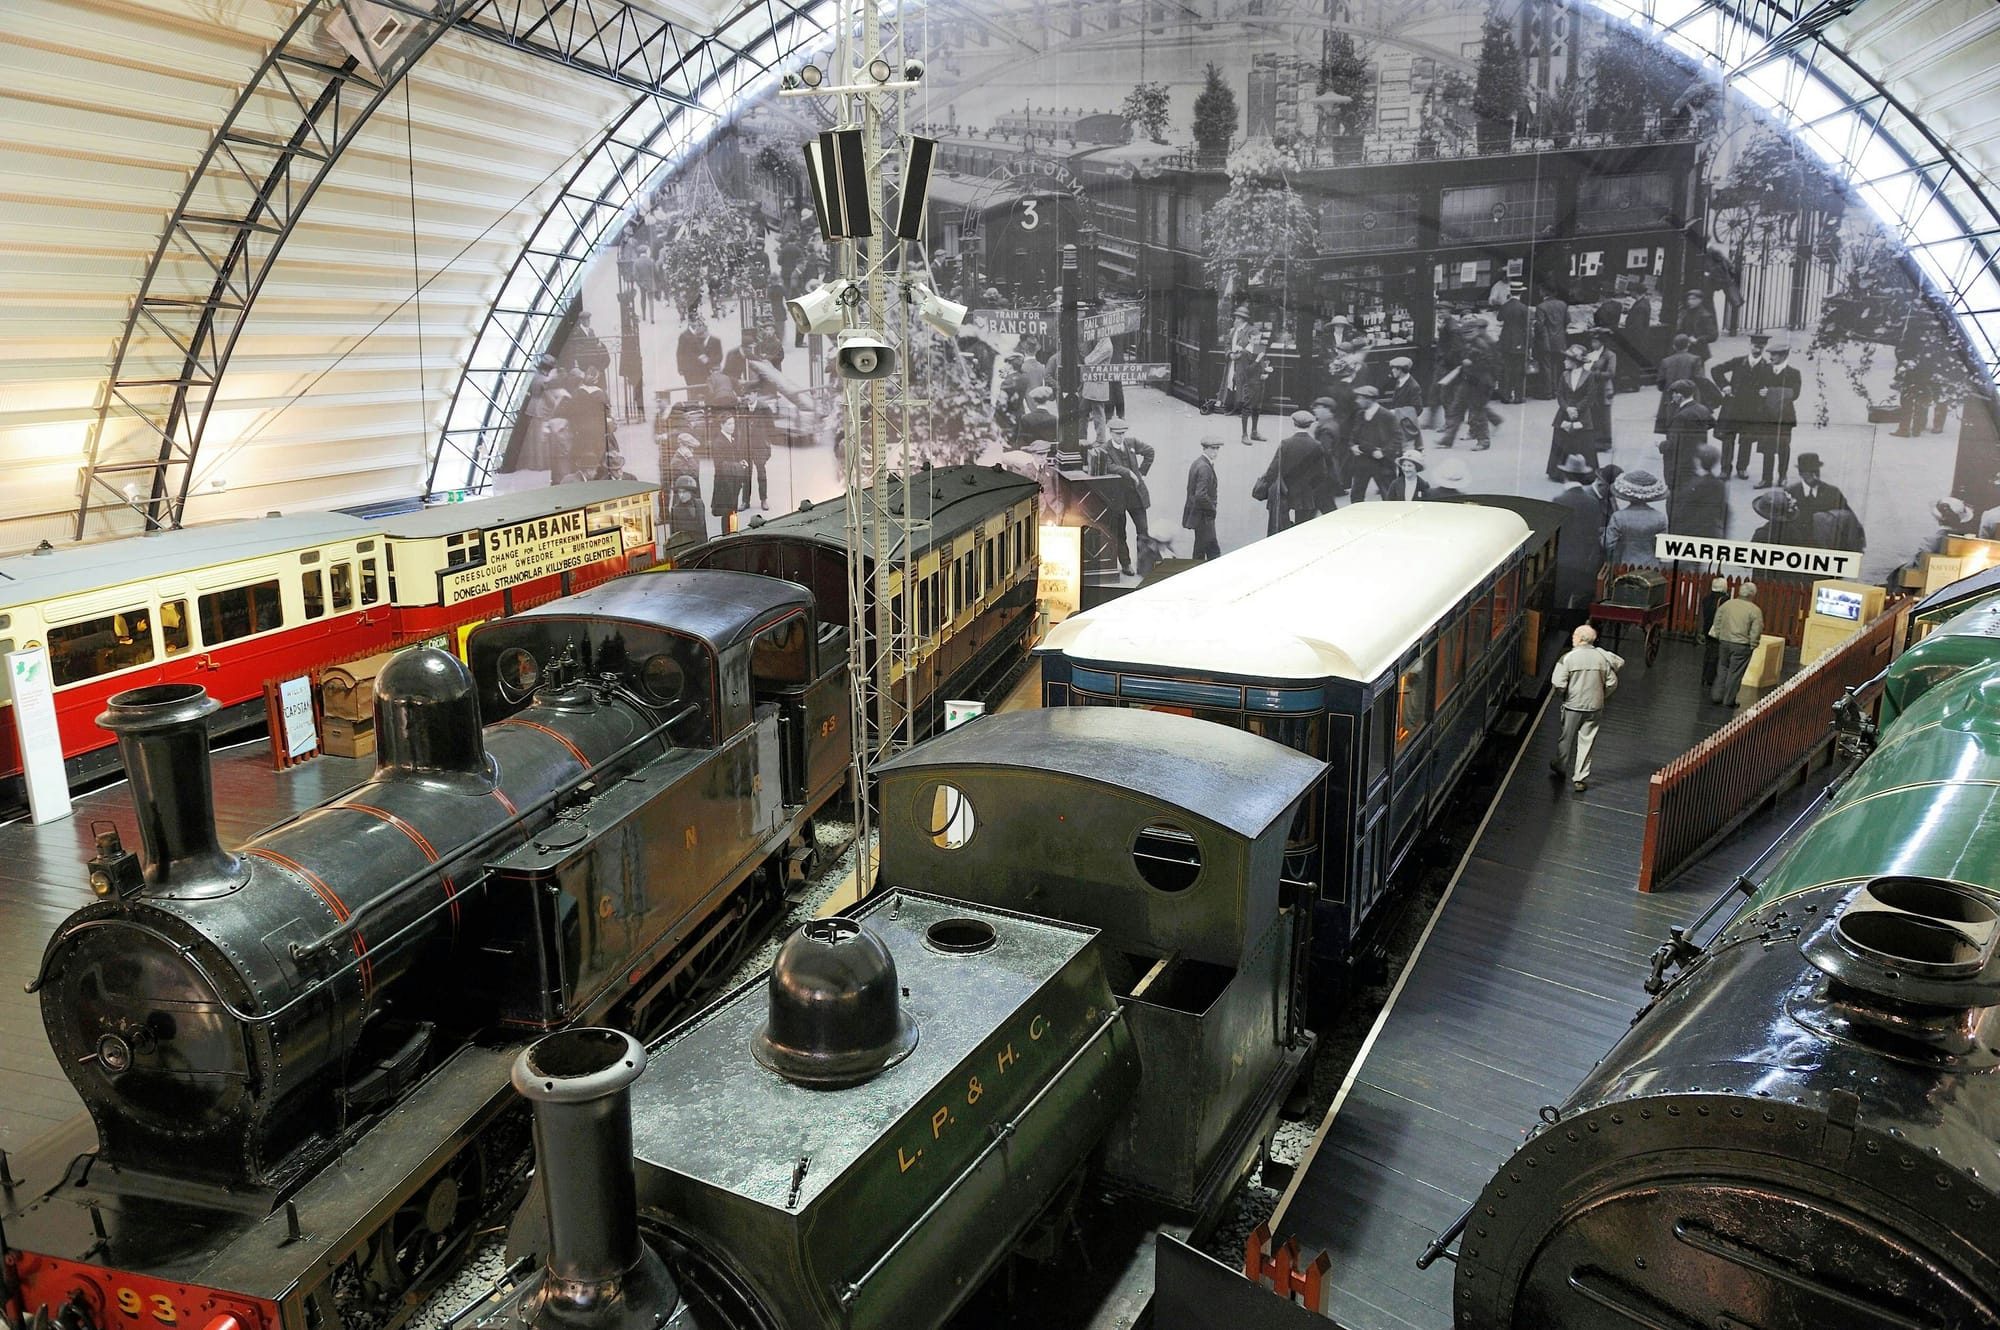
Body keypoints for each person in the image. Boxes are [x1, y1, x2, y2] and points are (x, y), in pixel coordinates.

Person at [1550, 623, 1624, 792]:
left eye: (1575, 635)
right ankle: (1580, 779)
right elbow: (1612, 683)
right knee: (1587, 741)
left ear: (1580, 639)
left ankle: (1560, 765)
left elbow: (1558, 683)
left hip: (1573, 706)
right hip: (1594, 708)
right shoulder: (1601, 658)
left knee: (1566, 738)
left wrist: (1564, 695)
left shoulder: (1568, 658)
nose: (1573, 638)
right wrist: (1601, 696)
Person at [1095, 419, 1157, 575]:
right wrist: (1128, 472)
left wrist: (1142, 472)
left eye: (1122, 433)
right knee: (1120, 532)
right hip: (1118, 498)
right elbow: (1109, 466)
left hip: (1136, 495)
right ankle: (1126, 564)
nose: (1120, 437)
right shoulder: (1104, 449)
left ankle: (1144, 564)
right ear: (1110, 433)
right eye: (1117, 434)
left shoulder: (1132, 443)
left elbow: (1150, 451)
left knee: (1143, 531)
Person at [1553, 454, 1606, 628]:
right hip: (1585, 561)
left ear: (1565, 475)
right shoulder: (1592, 502)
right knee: (1580, 604)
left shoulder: (1560, 501)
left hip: (1563, 561)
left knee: (1560, 602)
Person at [1712, 333, 1773, 480]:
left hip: (1752, 409)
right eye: (1755, 346)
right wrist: (1724, 385)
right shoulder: (1738, 361)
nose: (1757, 349)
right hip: (1733, 407)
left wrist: (1768, 391)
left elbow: (1773, 384)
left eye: (1761, 347)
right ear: (1750, 345)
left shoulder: (1767, 367)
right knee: (1728, 439)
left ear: (1765, 347)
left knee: (1746, 440)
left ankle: (1742, 468)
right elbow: (1716, 370)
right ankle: (1725, 469)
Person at [1256, 410, 1328, 532]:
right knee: (1302, 525)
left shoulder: (1286, 443)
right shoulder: (1316, 445)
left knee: (1280, 524)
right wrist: (1311, 486)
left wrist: (1266, 483)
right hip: (1305, 490)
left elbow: (1274, 469)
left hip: (1285, 488)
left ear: (1294, 424)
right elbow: (1322, 473)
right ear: (1310, 425)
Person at [1547, 344, 1598, 480]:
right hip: (1565, 412)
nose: (1564, 361)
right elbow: (1560, 395)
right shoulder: (1564, 375)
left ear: (1575, 362)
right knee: (1561, 439)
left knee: (1583, 441)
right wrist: (1567, 408)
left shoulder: (1589, 375)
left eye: (1567, 359)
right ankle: (1558, 473)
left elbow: (1590, 395)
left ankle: (1585, 473)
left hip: (1582, 413)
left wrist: (1577, 409)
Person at [1709, 581, 1765, 707]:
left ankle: (1717, 696)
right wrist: (1753, 644)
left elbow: (1717, 619)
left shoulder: (1727, 604)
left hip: (1724, 642)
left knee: (1722, 668)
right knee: (1735, 673)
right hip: (1742, 645)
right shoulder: (1755, 610)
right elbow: (1756, 629)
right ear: (1753, 594)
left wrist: (1719, 634)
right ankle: (1728, 700)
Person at [1754, 343, 1802, 487]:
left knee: (1783, 447)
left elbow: (1794, 394)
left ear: (1783, 356)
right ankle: (1766, 479)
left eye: (1774, 355)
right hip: (1767, 415)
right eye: (1770, 354)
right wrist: (1759, 392)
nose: (1771, 357)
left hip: (1785, 416)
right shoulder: (1765, 370)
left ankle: (1782, 476)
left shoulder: (1793, 373)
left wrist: (1770, 392)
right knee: (1767, 447)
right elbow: (1757, 387)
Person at [1657, 378, 1714, 494]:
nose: (1672, 396)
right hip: (1697, 458)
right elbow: (1712, 423)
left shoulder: (1681, 416)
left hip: (1680, 465)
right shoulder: (1702, 409)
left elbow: (1672, 445)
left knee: (1676, 495)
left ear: (1680, 395)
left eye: (1674, 393)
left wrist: (1660, 445)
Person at [1603, 470, 1668, 568]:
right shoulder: (1660, 517)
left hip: (1626, 564)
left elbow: (1609, 544)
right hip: (1652, 565)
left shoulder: (1619, 517)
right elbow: (1662, 549)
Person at [1223, 307, 1269, 443]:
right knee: (1246, 404)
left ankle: (1254, 432)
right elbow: (1248, 368)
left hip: (1257, 379)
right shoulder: (1236, 335)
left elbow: (1262, 358)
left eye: (1238, 318)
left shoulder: (1253, 334)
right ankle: (1244, 434)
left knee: (1257, 406)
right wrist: (1231, 354)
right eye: (1254, 339)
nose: (1235, 320)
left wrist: (1264, 371)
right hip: (1246, 377)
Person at [1347, 385, 1401, 503]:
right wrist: (1352, 446)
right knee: (1356, 495)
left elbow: (1398, 437)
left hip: (1382, 462)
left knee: (1389, 495)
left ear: (1369, 399)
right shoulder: (1360, 414)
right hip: (1362, 460)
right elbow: (1353, 434)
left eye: (1360, 398)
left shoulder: (1387, 415)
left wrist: (1384, 452)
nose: (1357, 401)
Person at [1674, 442, 1730, 538]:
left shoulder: (1692, 485)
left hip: (1692, 531)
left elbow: (1682, 512)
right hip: (1710, 531)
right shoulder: (1719, 484)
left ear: (1697, 461)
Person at [1183, 436, 1224, 561]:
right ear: (1205, 448)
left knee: (1200, 547)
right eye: (1212, 448)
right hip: (1204, 515)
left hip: (1197, 513)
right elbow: (1201, 494)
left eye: (1217, 449)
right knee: (1213, 550)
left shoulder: (1198, 462)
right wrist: (1212, 509)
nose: (1215, 452)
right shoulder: (1205, 467)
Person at [1309, 396, 1347, 512]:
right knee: (1323, 505)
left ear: (1328, 410)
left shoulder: (1326, 429)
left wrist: (1310, 435)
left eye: (1318, 408)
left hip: (1323, 474)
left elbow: (1323, 451)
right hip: (1328, 472)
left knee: (1323, 505)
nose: (1315, 410)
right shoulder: (1331, 424)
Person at [1533, 286, 1570, 400]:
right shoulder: (1563, 304)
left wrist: (1534, 327)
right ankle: (1556, 391)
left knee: (1546, 367)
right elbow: (1567, 320)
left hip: (1546, 341)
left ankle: (1547, 392)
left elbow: (1539, 326)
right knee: (1556, 365)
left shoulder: (1541, 307)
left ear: (1544, 292)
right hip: (1559, 340)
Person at [1496, 287, 1531, 403]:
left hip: (1505, 341)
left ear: (1510, 293)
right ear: (1521, 293)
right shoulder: (1524, 308)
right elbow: (1527, 327)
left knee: (1506, 369)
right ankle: (1518, 397)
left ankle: (1506, 396)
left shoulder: (1504, 306)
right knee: (1519, 371)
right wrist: (1529, 345)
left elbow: (1499, 318)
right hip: (1519, 342)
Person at [677, 311, 722, 400]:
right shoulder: (684, 336)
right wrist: (680, 368)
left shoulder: (702, 334)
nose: (695, 323)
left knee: (704, 389)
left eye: (697, 321)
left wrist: (709, 361)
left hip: (703, 369)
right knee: (693, 389)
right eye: (693, 321)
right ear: (689, 322)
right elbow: (680, 353)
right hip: (690, 369)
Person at [1699, 575, 1729, 690]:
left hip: (1707, 629)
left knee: (1708, 652)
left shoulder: (1706, 599)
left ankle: (1704, 676)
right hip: (1718, 631)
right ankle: (1710, 678)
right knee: (1716, 654)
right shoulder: (1724, 600)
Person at [1677, 289, 1720, 364]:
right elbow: (1681, 329)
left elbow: (1713, 335)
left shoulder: (1705, 315)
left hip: (1699, 351)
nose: (1690, 301)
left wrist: (1697, 340)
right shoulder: (1686, 313)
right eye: (1689, 299)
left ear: (1700, 300)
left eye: (1693, 299)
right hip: (1686, 349)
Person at [560, 444, 637, 485]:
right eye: (615, 470)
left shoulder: (631, 479)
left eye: (620, 468)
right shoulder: (602, 483)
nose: (620, 472)